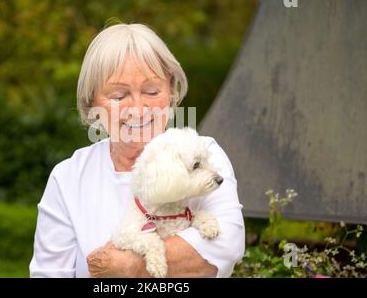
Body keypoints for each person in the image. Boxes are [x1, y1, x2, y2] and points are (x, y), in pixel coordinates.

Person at [29, 23, 245, 278]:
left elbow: (227, 245)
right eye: (119, 96)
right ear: (92, 103)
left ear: (171, 93)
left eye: (151, 91)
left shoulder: (203, 154)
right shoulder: (68, 177)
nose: (138, 109)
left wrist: (132, 266)